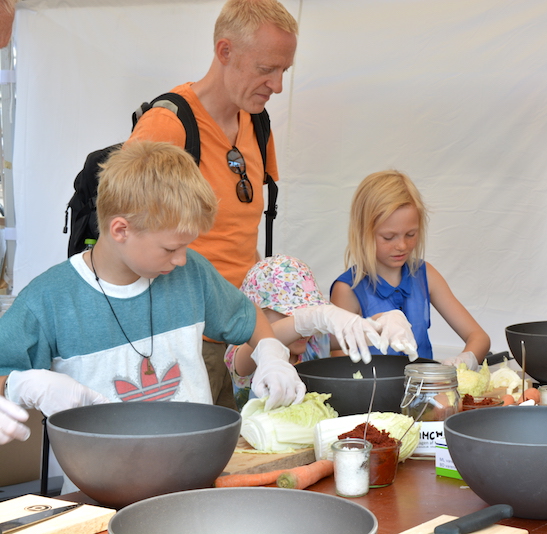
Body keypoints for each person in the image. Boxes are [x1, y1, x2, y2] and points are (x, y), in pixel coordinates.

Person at [0, 141, 382, 444]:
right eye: (170, 249)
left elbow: (249, 321)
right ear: (120, 230)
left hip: (195, 467)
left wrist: (270, 354)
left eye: (187, 247)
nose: (182, 260)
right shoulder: (48, 300)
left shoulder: (192, 273)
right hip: (100, 483)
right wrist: (20, 384)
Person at [127, 0, 299, 410]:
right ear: (225, 52)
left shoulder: (257, 124)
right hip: (184, 339)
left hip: (242, 333)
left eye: (283, 71)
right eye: (265, 69)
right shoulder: (168, 125)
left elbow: (240, 234)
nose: (277, 86)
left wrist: (265, 329)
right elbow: (127, 237)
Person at [330, 170, 490, 370]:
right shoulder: (348, 290)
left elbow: (479, 337)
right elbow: (338, 365)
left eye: (411, 234)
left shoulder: (425, 275)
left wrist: (464, 361)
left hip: (425, 394)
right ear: (363, 233)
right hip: (371, 398)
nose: (402, 246)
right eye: (389, 237)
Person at [225, 254, 346, 410]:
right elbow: (266, 339)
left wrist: (380, 323)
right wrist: (305, 320)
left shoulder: (315, 341)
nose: (304, 329)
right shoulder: (242, 351)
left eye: (308, 312)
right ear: (258, 315)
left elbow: (354, 334)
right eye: (289, 314)